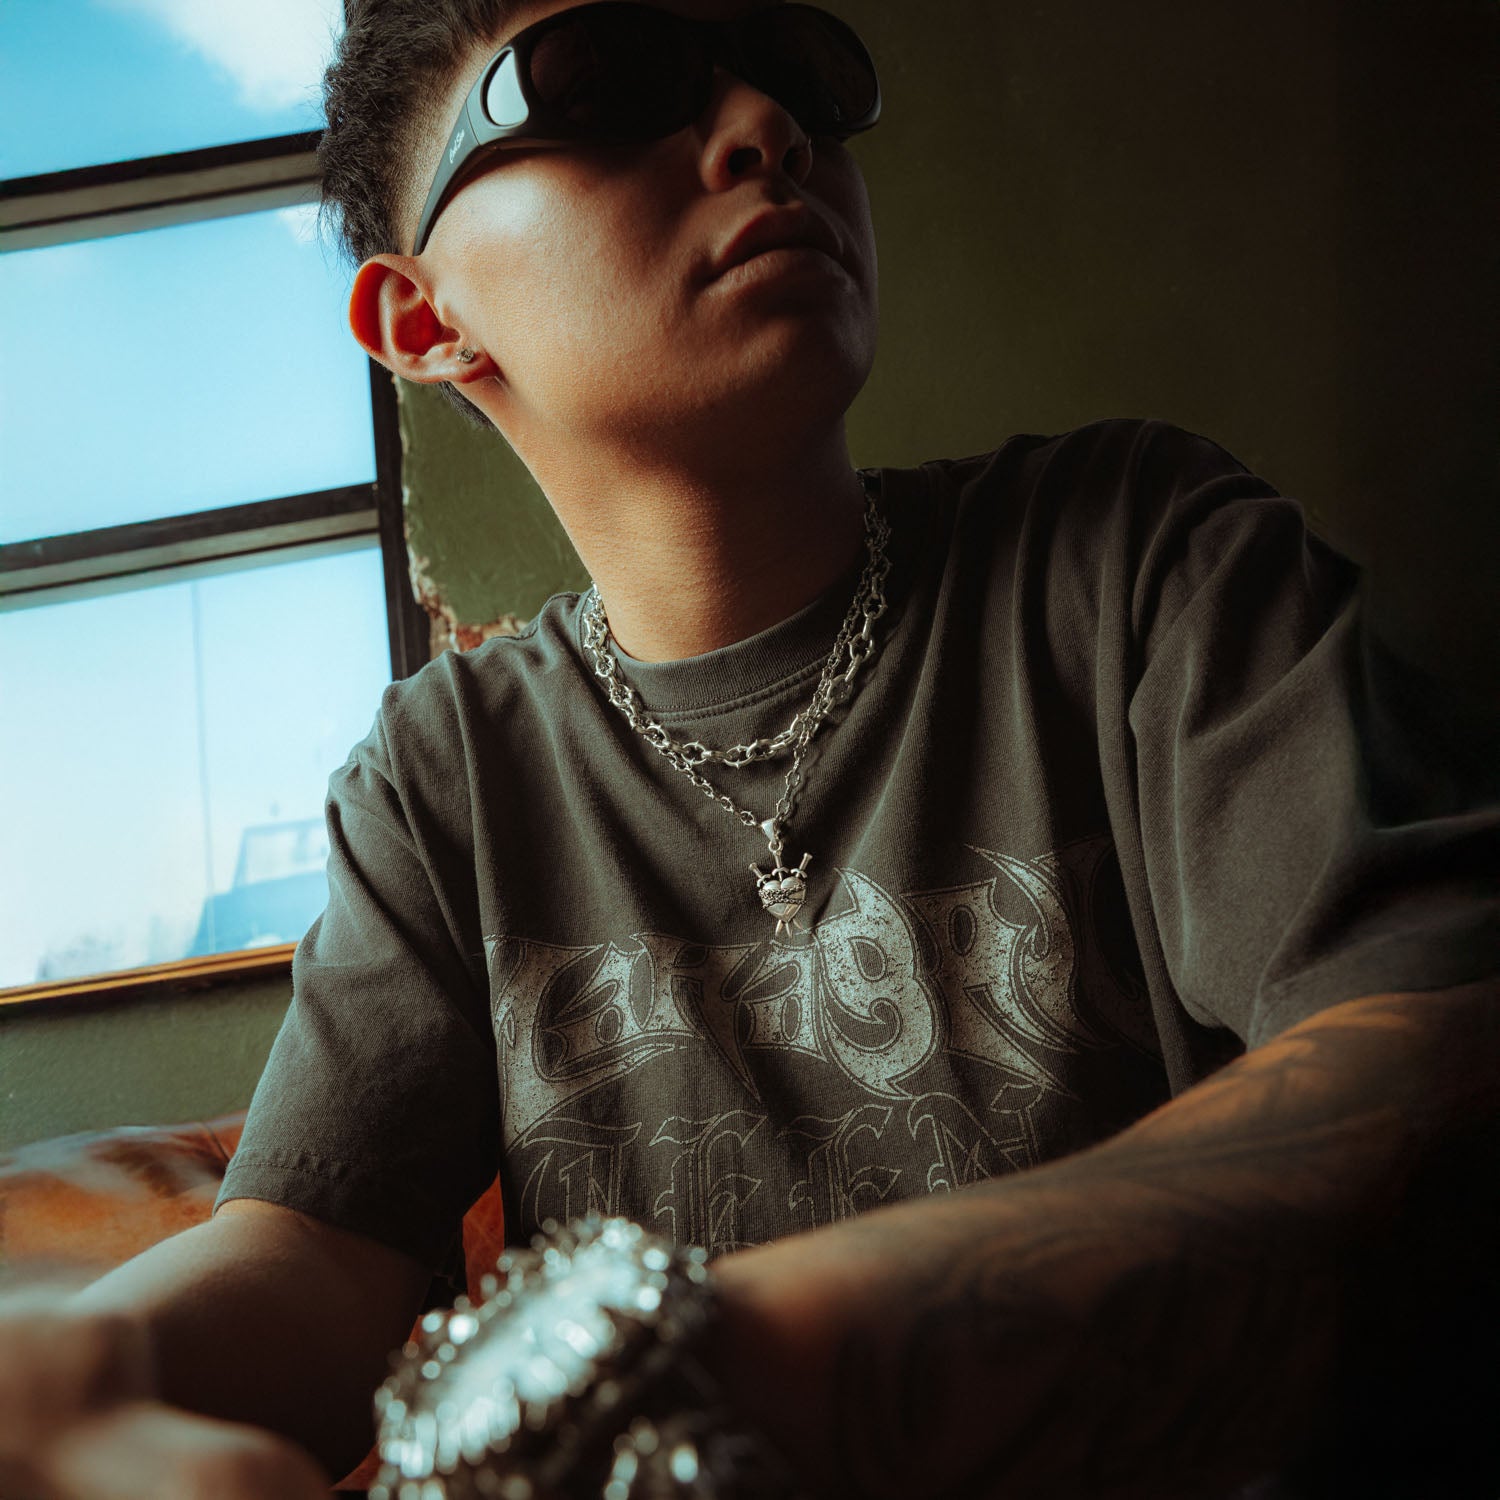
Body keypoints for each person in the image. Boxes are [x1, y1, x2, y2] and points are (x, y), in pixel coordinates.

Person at [7, 1, 1498, 1496]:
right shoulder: (444, 774)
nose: (766, 129)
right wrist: (87, 1370)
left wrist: (707, 1359)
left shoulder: (1137, 561)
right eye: (604, 82)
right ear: (424, 321)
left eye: (795, 78)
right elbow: (314, 1256)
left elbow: (1430, 1046)